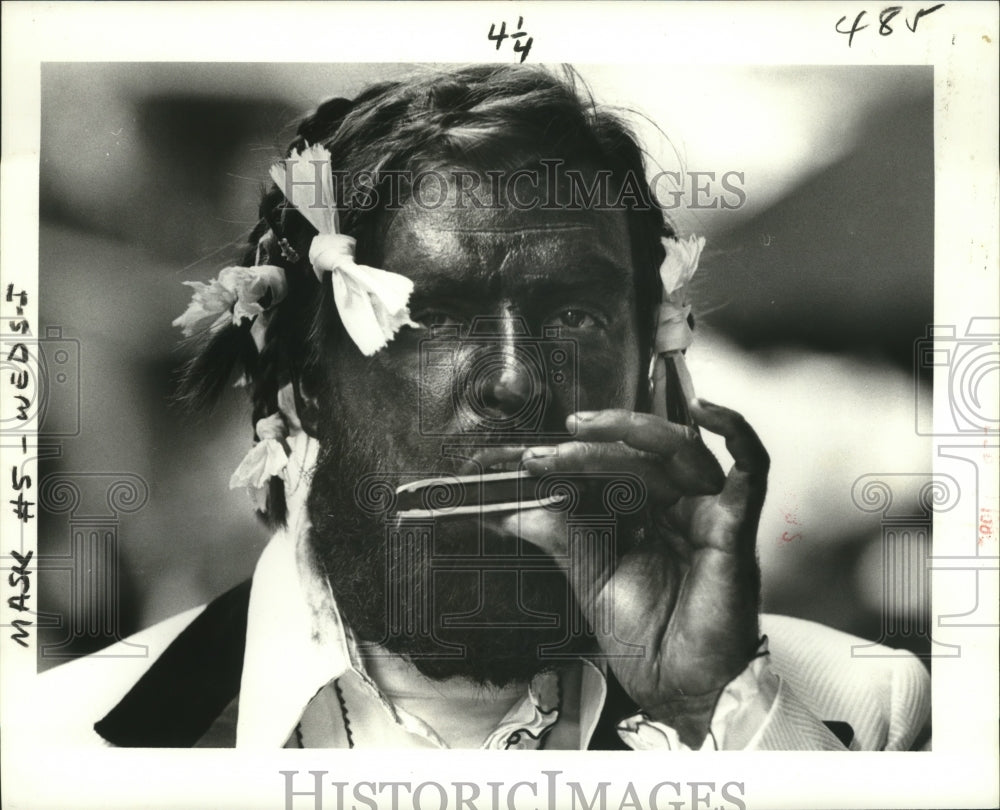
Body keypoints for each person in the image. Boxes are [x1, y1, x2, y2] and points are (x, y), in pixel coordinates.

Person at [40, 64, 930, 750]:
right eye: (428, 316)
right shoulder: (64, 741)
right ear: (301, 382)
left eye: (576, 314)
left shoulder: (854, 716)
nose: (516, 380)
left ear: (651, 369)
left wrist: (718, 714)